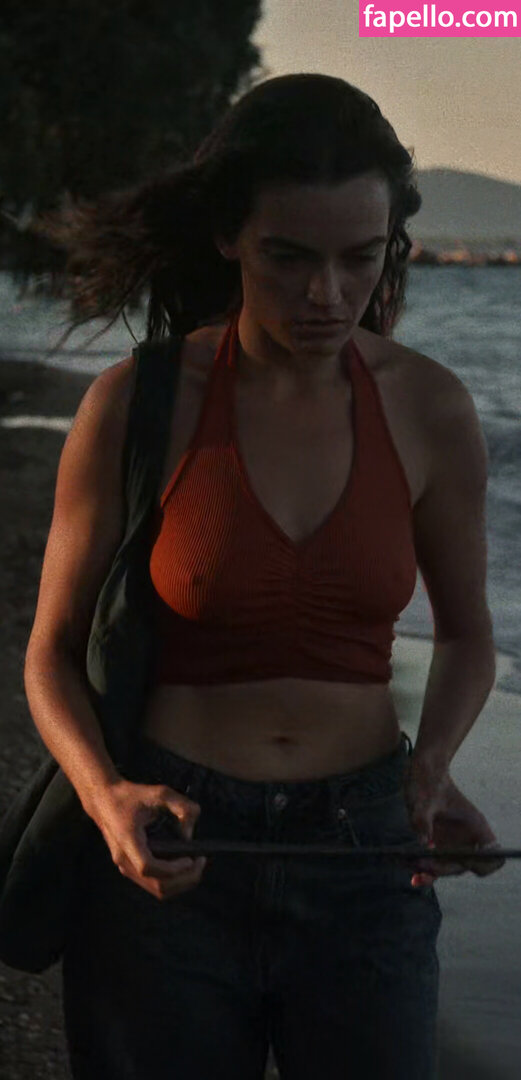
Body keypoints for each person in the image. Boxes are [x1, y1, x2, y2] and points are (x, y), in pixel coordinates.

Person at [26, 73, 504, 1079]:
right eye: (289, 257)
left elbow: (466, 635)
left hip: (365, 856)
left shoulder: (427, 407)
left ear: (391, 246)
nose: (327, 294)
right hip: (174, 857)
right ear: (228, 237)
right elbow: (51, 654)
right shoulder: (136, 405)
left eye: (359, 258)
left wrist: (429, 771)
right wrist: (108, 799)